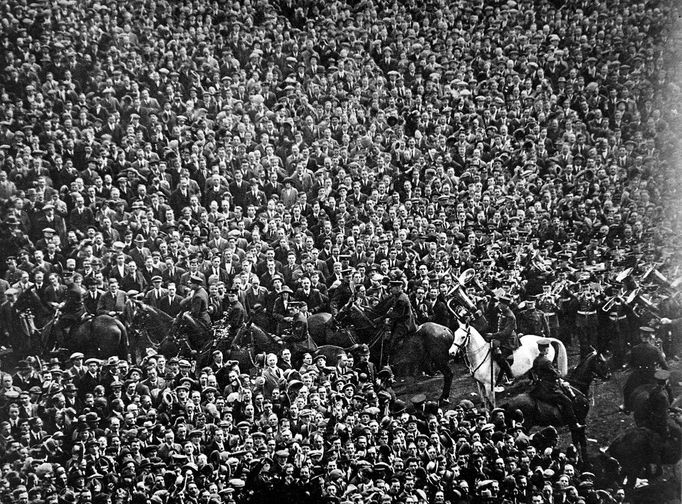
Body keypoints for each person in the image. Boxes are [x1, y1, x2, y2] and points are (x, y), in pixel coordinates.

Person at [530, 339, 584, 430]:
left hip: (539, 387)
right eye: (547, 348)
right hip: (549, 389)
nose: (548, 350)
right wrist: (558, 373)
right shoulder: (546, 361)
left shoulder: (536, 360)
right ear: (545, 350)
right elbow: (556, 374)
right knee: (567, 401)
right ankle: (574, 423)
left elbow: (532, 372)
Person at [621, 326, 668, 413]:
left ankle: (627, 407)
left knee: (626, 389)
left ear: (641, 336)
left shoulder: (635, 349)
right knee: (667, 387)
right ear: (650, 337)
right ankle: (671, 404)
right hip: (652, 375)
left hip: (638, 375)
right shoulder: (655, 349)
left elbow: (631, 363)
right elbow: (664, 365)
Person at [485, 296, 517, 391]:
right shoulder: (503, 312)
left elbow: (506, 333)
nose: (498, 305)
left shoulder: (510, 316)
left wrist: (493, 335)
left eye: (500, 303)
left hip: (509, 340)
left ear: (505, 305)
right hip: (502, 338)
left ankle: (510, 376)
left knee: (500, 357)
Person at [52, 274, 86, 347]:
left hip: (75, 313)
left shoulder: (73, 290)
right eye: (65, 278)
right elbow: (68, 300)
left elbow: (70, 305)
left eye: (68, 278)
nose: (66, 280)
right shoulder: (71, 287)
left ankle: (62, 345)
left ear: (72, 279)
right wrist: (63, 303)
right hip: (76, 310)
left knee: (57, 325)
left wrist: (59, 308)